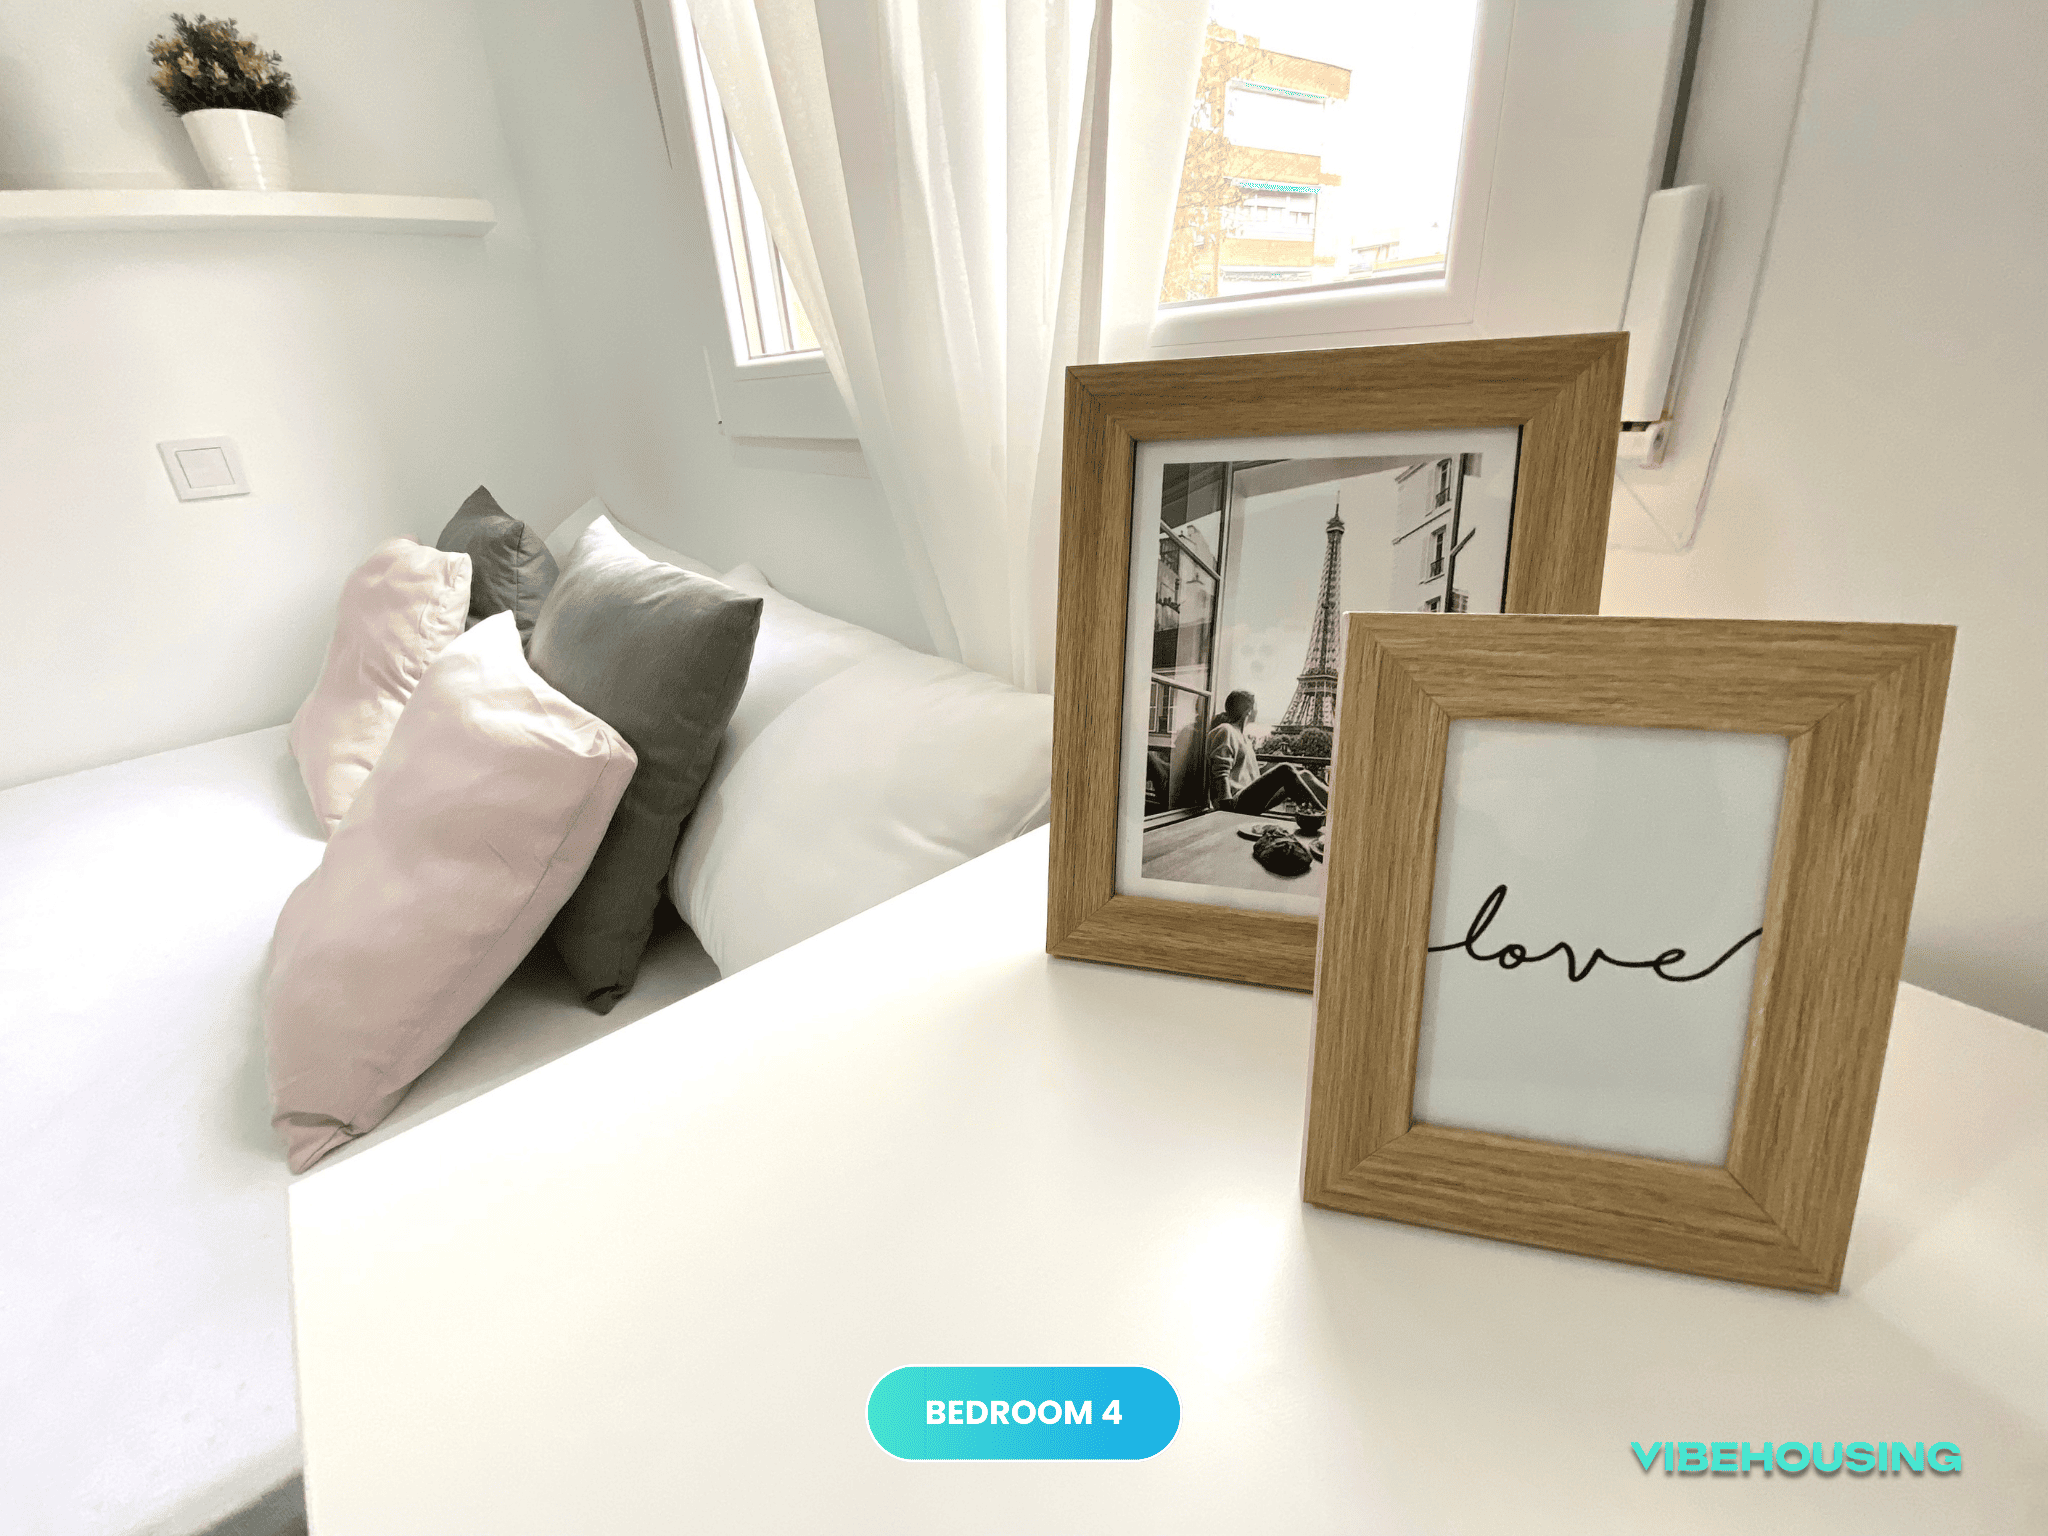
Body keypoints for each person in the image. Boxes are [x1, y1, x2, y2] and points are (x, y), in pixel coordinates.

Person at [1204, 690, 1329, 815]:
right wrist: (1226, 810)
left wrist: (1268, 769)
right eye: (1256, 706)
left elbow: (1246, 774)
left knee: (1305, 775)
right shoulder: (1225, 730)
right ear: (1248, 710)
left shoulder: (1244, 738)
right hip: (1234, 803)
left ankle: (1334, 808)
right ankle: (1322, 817)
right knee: (1285, 769)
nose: (1257, 710)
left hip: (1248, 799)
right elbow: (1220, 773)